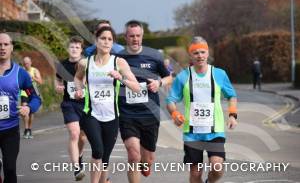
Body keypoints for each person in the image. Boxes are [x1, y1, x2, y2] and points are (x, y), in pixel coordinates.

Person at [166, 36, 238, 183]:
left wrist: (232, 115)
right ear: (190, 55)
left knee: (217, 168)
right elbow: (170, 100)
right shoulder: (183, 76)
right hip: (192, 134)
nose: (200, 56)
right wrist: (174, 113)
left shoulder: (219, 74)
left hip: (215, 130)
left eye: (203, 52)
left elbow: (232, 96)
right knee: (195, 174)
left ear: (207, 53)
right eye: (196, 53)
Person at [74, 26, 140, 183]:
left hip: (112, 116)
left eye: (110, 39)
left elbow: (137, 87)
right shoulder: (85, 62)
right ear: (96, 41)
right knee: (97, 150)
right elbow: (77, 78)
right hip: (91, 114)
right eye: (103, 38)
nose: (106, 42)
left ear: (113, 43)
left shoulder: (119, 62)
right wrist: (79, 90)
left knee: (105, 157)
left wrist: (120, 78)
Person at [117, 20, 172, 183]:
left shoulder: (154, 55)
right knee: (133, 155)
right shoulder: (118, 58)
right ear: (125, 37)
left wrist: (159, 83)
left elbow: (169, 77)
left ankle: (146, 163)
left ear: (142, 36)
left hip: (150, 114)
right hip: (127, 114)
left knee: (147, 160)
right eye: (131, 36)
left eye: (138, 36)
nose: (135, 39)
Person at [0, 33, 41, 183]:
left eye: (6, 44)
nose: (2, 47)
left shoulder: (21, 74)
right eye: (0, 45)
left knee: (10, 169)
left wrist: (29, 108)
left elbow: (36, 97)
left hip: (10, 129)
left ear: (11, 47)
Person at [55, 36, 87, 181]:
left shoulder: (86, 64)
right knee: (74, 134)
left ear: (81, 50)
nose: (74, 49)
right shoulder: (62, 65)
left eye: (77, 47)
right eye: (72, 47)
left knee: (83, 137)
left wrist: (84, 87)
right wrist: (58, 86)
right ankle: (76, 169)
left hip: (85, 104)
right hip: (69, 104)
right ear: (68, 49)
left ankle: (79, 156)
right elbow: (58, 79)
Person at [20, 56, 43, 139]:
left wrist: (32, 77)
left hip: (33, 91)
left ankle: (29, 128)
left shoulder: (34, 70)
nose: (26, 65)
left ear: (30, 63)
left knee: (31, 112)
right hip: (25, 91)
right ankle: (26, 129)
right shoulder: (21, 71)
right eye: (25, 63)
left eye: (27, 63)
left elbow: (40, 81)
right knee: (24, 108)